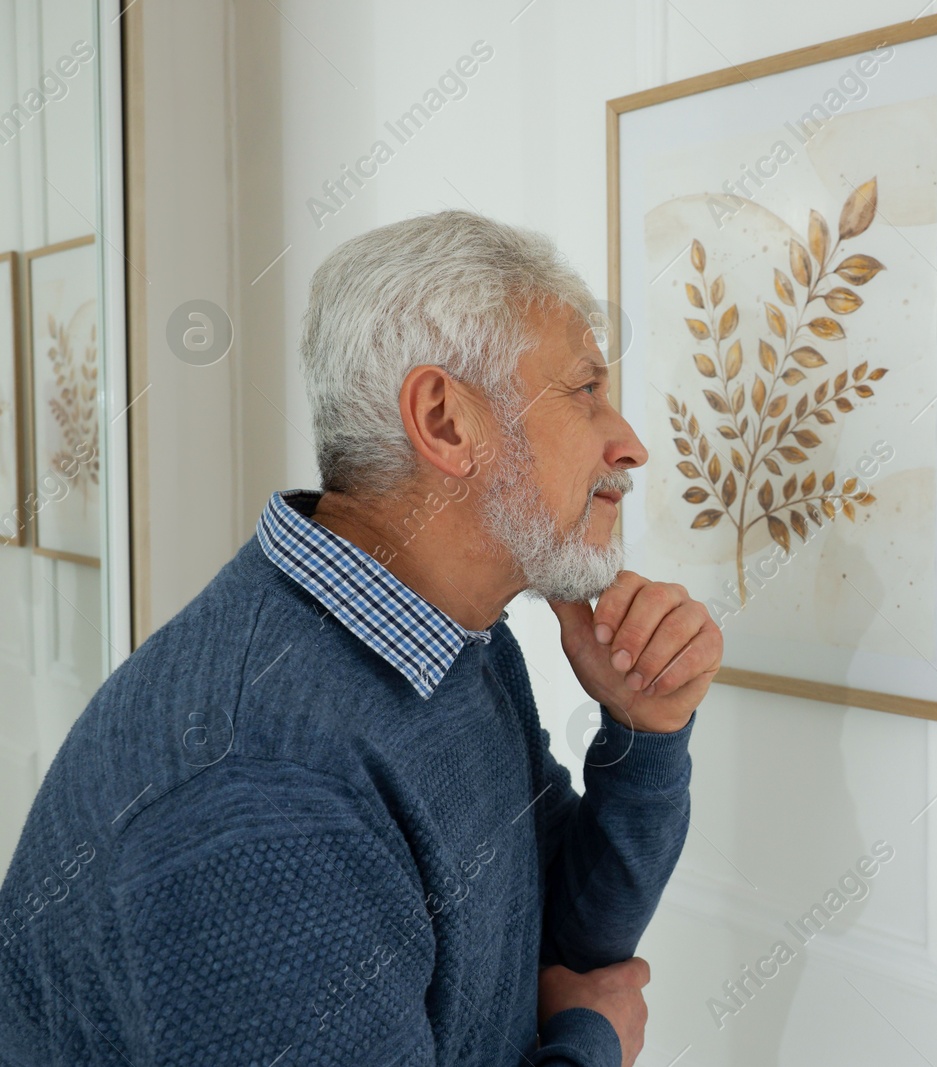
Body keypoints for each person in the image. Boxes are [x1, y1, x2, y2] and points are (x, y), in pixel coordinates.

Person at [0, 211, 721, 1067]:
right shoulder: (261, 785)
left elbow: (565, 936)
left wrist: (644, 730)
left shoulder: (460, 641)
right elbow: (581, 995)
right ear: (446, 421)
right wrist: (590, 1044)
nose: (629, 443)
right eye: (586, 390)